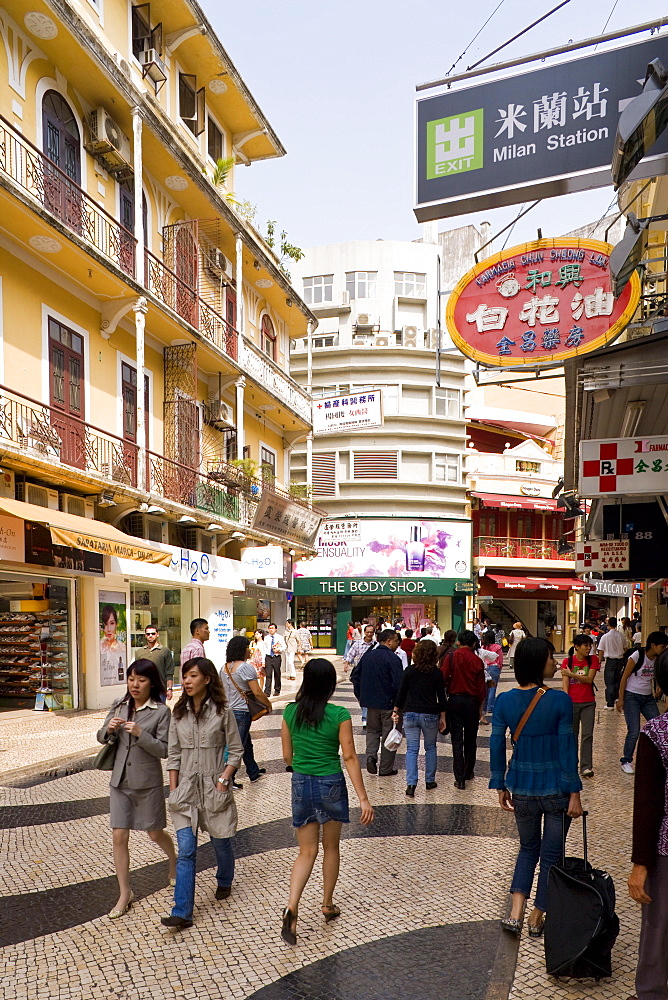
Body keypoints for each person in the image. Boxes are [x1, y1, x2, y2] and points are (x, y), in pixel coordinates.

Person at [490, 637, 583, 938]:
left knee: (528, 848)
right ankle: (537, 914)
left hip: (522, 790)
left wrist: (500, 782)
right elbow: (568, 748)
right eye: (549, 659)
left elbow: (495, 744)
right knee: (551, 855)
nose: (556, 663)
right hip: (556, 790)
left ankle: (515, 912)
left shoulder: (504, 701)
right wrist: (575, 792)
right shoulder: (560, 701)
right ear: (536, 663)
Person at [280, 657, 374, 945]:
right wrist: (363, 798)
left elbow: (287, 757)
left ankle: (292, 905)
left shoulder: (290, 712)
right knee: (330, 846)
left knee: (305, 852)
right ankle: (327, 903)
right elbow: (349, 756)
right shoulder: (339, 715)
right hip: (331, 782)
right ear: (331, 685)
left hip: (301, 783)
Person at [162, 657, 243, 930]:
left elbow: (236, 750)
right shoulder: (178, 713)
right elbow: (173, 754)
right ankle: (182, 911)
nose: (186, 681)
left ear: (207, 679)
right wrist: (173, 789)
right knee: (186, 850)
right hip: (184, 792)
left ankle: (224, 879)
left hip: (213, 787)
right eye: (184, 676)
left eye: (193, 676)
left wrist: (223, 780)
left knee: (221, 841)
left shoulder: (223, 711)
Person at [97, 659, 176, 918]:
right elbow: (101, 736)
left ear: (151, 682)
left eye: (141, 680)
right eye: (131, 679)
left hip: (147, 782)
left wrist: (142, 734)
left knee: (154, 833)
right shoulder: (120, 706)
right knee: (119, 836)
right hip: (120, 781)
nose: (134, 684)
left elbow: (165, 749)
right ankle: (124, 893)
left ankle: (174, 862)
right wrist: (107, 730)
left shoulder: (161, 712)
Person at [628, 648, 668, 1000]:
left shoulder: (657, 733)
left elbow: (648, 805)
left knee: (657, 927)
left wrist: (640, 863)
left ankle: (653, 993)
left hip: (665, 850)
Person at [393, 639, 447, 796]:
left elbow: (401, 693)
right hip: (430, 714)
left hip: (410, 713)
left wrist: (396, 710)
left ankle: (411, 784)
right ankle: (429, 781)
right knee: (430, 748)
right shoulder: (437, 673)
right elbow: (441, 697)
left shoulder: (409, 671)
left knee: (412, 749)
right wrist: (443, 717)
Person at [221, 635, 272, 783]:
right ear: (241, 650)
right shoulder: (246, 667)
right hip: (241, 712)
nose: (249, 651)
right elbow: (257, 692)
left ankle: (253, 772)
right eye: (247, 648)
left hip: (227, 710)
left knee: (245, 742)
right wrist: (268, 704)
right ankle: (228, 778)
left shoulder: (223, 668)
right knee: (238, 745)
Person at [352, 630, 403, 777]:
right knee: (389, 734)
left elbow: (355, 676)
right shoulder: (393, 659)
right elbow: (398, 684)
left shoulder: (368, 656)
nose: (397, 644)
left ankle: (371, 756)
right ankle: (386, 768)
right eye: (395, 641)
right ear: (388, 641)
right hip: (389, 704)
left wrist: (361, 696)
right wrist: (398, 705)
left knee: (372, 731)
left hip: (370, 703)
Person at [616, 632, 668, 774]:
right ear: (653, 645)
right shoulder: (637, 656)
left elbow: (658, 674)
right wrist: (621, 699)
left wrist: (659, 687)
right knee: (634, 730)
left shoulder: (659, 659)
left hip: (647, 698)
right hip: (631, 696)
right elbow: (624, 677)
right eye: (662, 646)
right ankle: (626, 760)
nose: (664, 649)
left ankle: (660, 758)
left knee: (659, 727)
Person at [442, 630, 487, 789]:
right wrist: (480, 709)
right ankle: (469, 771)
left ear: (459, 641)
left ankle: (459, 777)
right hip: (472, 702)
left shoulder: (452, 657)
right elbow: (482, 689)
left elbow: (443, 677)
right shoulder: (477, 661)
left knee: (456, 739)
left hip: (455, 700)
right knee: (470, 738)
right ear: (474, 643)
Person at [561, 633, 600, 778]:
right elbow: (565, 683)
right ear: (577, 647)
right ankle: (571, 764)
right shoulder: (568, 661)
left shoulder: (593, 660)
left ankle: (586, 766)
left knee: (587, 734)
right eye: (585, 645)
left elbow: (589, 679)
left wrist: (572, 675)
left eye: (590, 645)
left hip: (588, 702)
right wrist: (565, 701)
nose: (588, 648)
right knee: (572, 735)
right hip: (572, 702)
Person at [138, 625, 175, 701]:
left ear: (157, 634)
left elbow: (169, 672)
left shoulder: (165, 651)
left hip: (160, 690)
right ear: (145, 635)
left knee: (160, 712)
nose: (150, 636)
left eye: (153, 633)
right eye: (148, 634)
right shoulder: (139, 652)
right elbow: (137, 672)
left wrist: (170, 689)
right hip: (144, 690)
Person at [598, 616, 627, 708]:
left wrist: (599, 662)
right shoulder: (621, 636)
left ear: (608, 624)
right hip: (620, 660)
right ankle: (617, 698)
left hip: (610, 661)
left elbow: (601, 650)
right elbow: (625, 648)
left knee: (609, 682)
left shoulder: (605, 637)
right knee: (617, 680)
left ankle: (610, 703)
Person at [481, 628, 504, 723]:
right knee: (493, 688)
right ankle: (491, 706)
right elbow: (500, 658)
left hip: (486, 668)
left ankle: (484, 707)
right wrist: (500, 666)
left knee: (485, 689)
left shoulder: (483, 647)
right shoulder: (497, 647)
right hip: (494, 667)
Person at [100, 604, 126, 681]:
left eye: (111, 623)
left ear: (116, 624)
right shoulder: (99, 646)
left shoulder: (122, 647)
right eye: (105, 624)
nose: (108, 629)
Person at [263, 623, 286, 697]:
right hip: (268, 657)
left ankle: (277, 690)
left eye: (272, 628)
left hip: (276, 657)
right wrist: (263, 660)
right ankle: (267, 691)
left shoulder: (279, 637)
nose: (271, 629)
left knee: (277, 674)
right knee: (268, 674)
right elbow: (264, 648)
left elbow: (284, 646)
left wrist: (278, 649)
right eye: (270, 628)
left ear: (276, 629)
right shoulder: (266, 638)